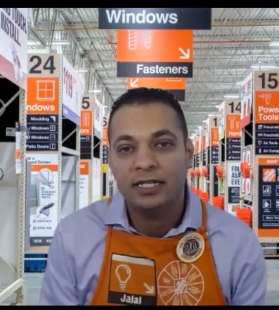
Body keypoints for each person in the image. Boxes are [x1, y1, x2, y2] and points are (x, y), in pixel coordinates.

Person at [40, 88, 266, 306]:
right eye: (126, 148)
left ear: (188, 153)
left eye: (162, 144)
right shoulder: (73, 239)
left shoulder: (238, 246)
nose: (145, 162)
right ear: (111, 160)